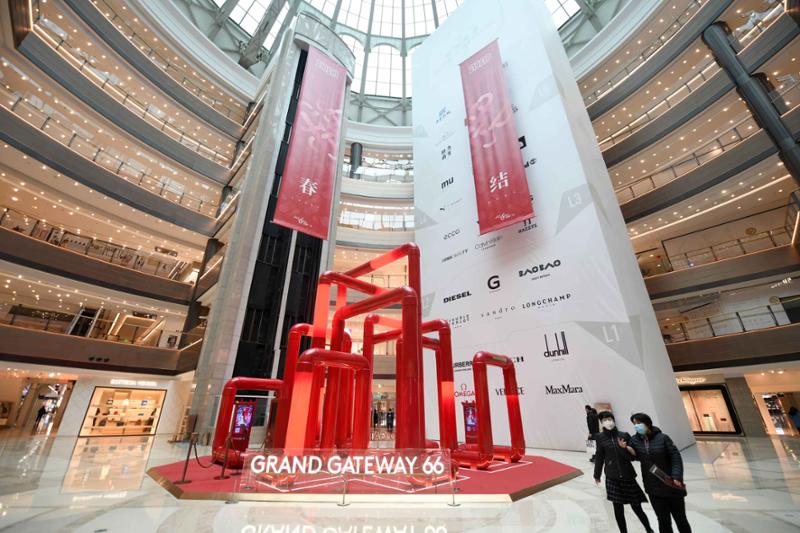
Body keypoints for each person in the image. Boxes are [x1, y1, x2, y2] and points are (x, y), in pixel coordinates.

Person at [629, 413, 692, 533]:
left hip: (671, 484)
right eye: (634, 424)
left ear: (647, 423)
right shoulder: (634, 440)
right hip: (653, 488)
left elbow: (675, 458)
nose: (636, 426)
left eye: (639, 423)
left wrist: (677, 476)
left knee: (681, 519)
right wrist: (627, 449)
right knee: (663, 520)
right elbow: (633, 457)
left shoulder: (663, 438)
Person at [593, 412, 654, 533]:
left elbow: (632, 457)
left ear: (614, 420)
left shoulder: (624, 435)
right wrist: (597, 474)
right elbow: (599, 456)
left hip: (627, 475)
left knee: (637, 507)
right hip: (612, 477)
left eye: (609, 418)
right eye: (604, 420)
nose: (608, 421)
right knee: (618, 509)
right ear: (601, 423)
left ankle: (649, 529)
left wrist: (623, 448)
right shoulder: (600, 437)